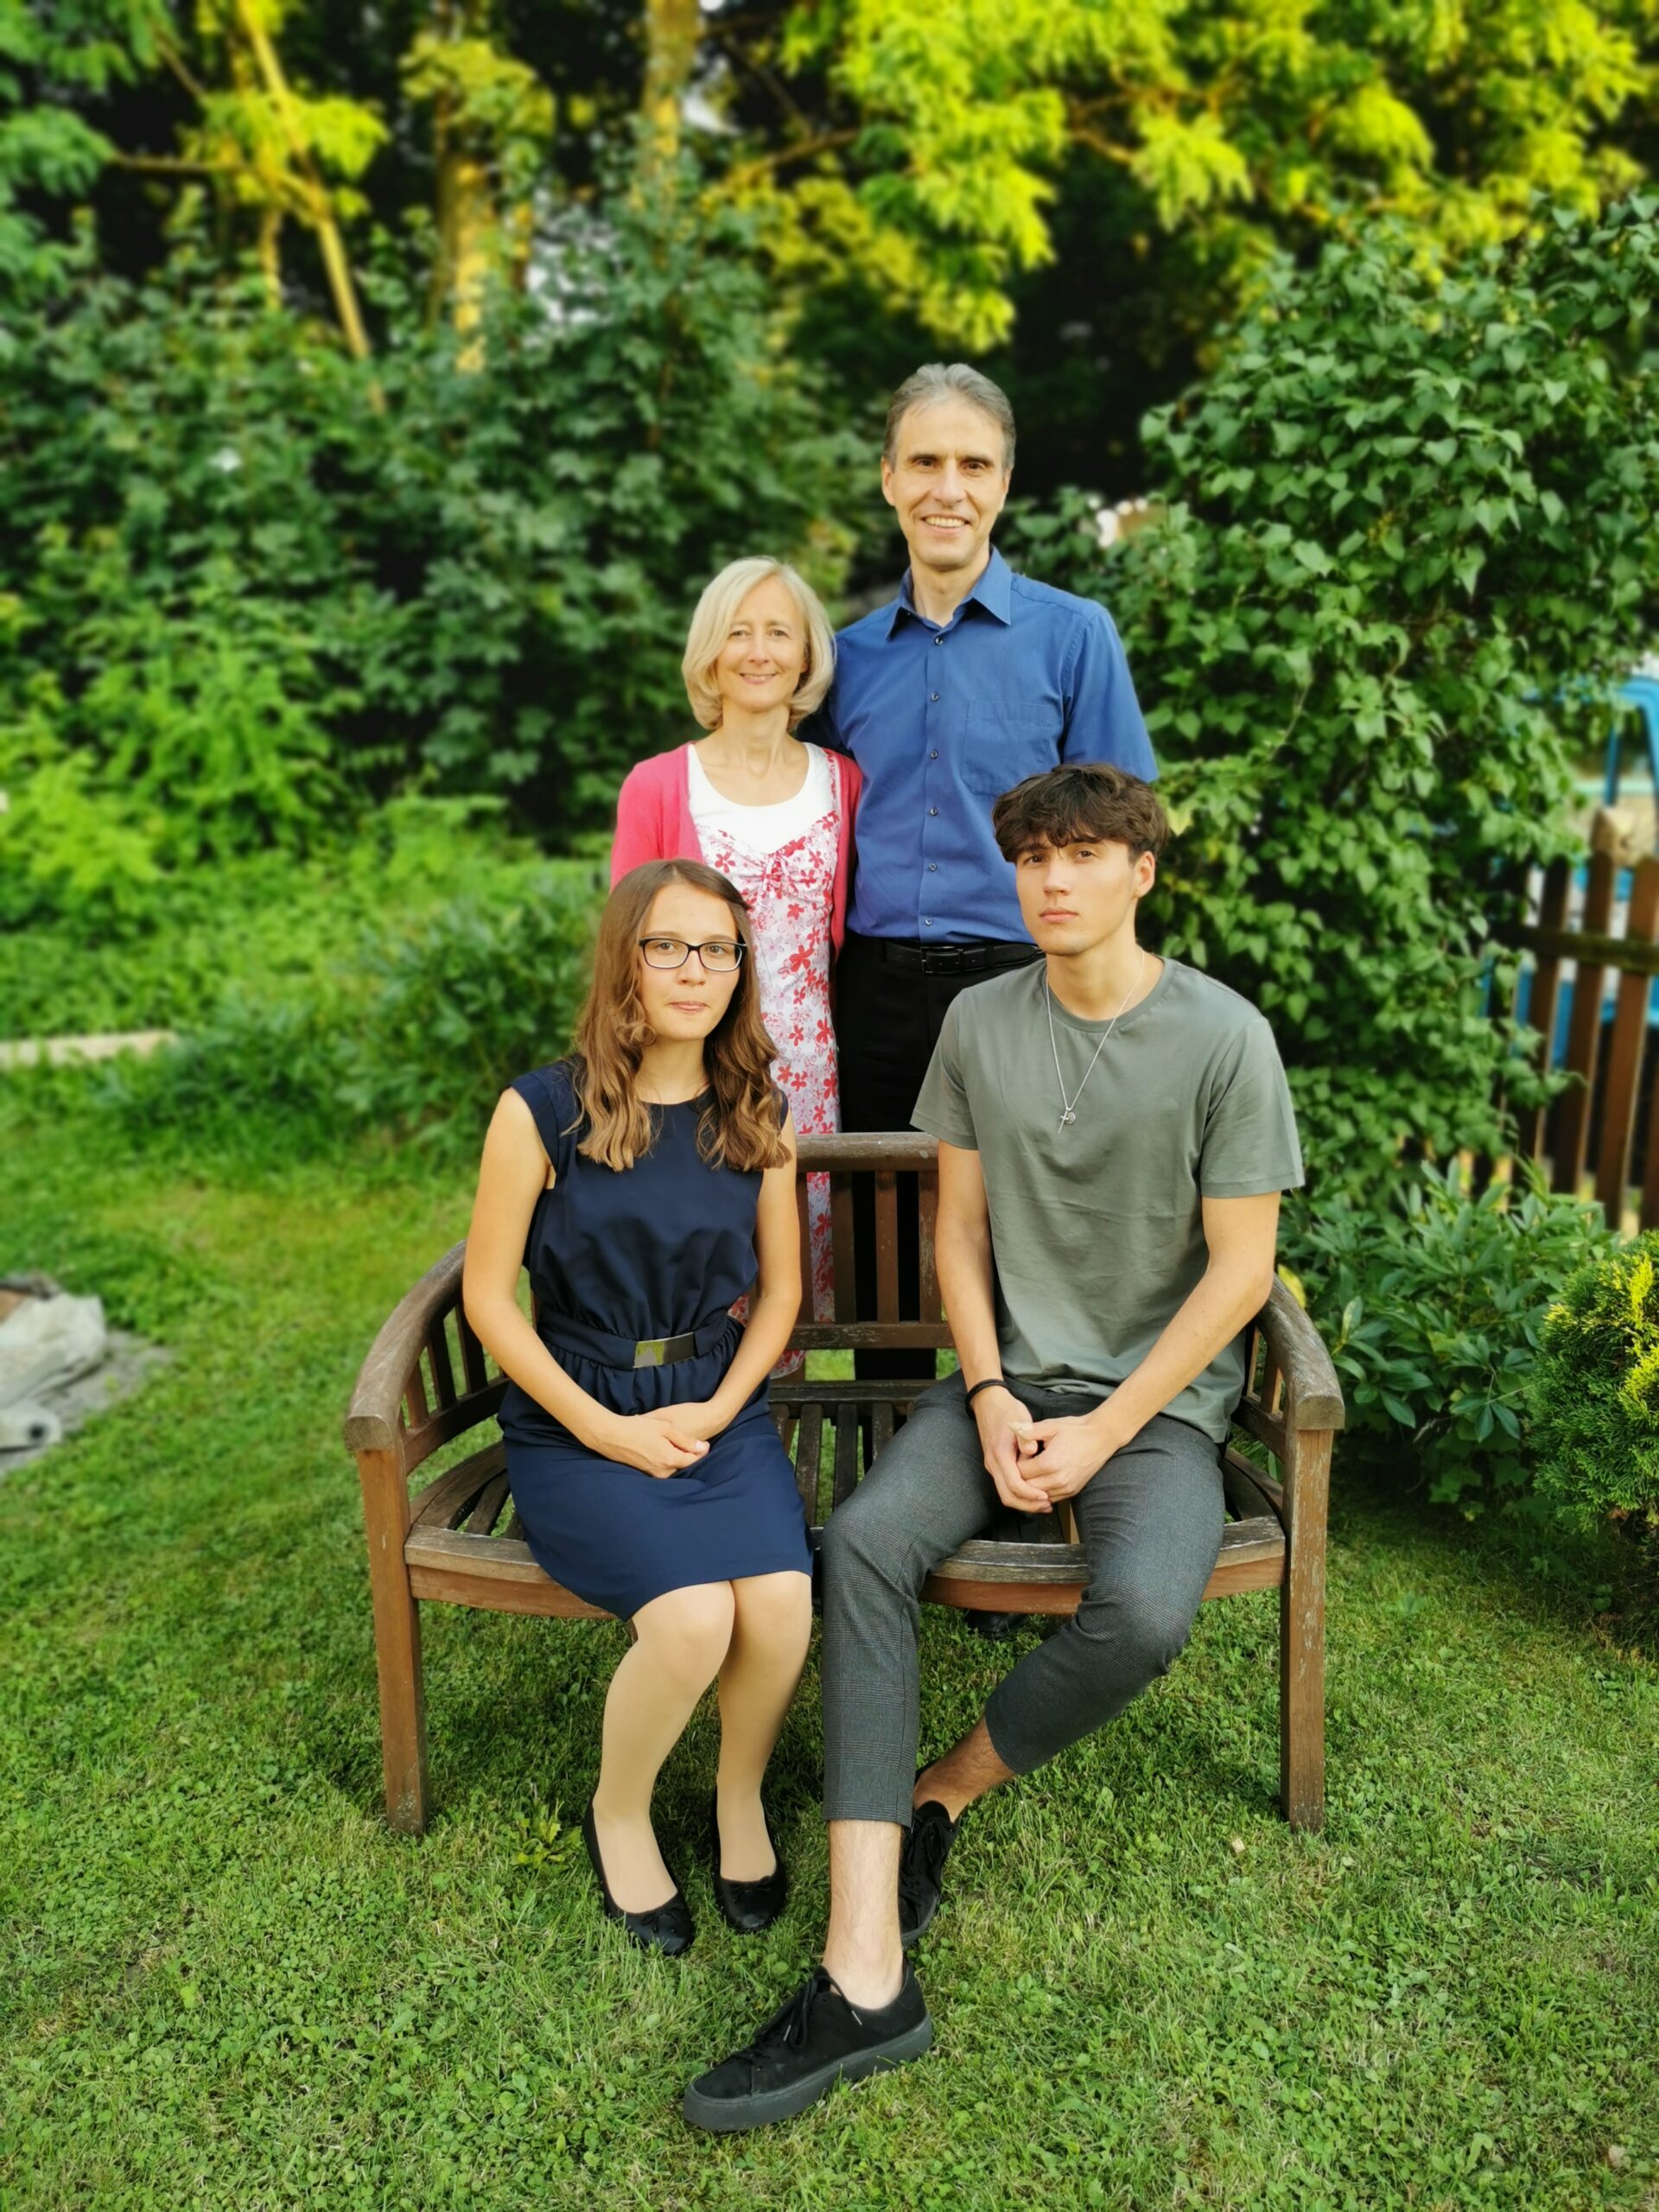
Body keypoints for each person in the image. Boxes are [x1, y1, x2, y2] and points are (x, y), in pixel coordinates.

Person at [684, 764, 1304, 2128]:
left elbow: (1241, 1272)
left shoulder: (1226, 1037)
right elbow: (956, 1232)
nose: (1053, 881)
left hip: (1151, 1410)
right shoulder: (979, 1020)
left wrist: (1107, 1430)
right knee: (864, 1542)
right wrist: (986, 1392)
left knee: (1144, 1614)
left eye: (1083, 855)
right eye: (1033, 859)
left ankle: (941, 1793)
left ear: (1143, 872)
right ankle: (863, 1971)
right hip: (1001, 1386)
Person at [462, 858, 813, 1958]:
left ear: (740, 969)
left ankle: (738, 1796)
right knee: (694, 1619)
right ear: (626, 959)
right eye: (668, 946)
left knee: (781, 1604)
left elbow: (782, 1294)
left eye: (718, 949)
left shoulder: (757, 1109)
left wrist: (720, 1407)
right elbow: (489, 1299)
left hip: (714, 1403)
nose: (694, 970)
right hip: (579, 1414)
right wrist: (604, 1427)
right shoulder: (542, 1111)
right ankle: (619, 1811)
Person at [809, 362, 1157, 1390]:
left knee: (1026, 1232)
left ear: (1004, 482)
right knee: (879, 1240)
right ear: (888, 478)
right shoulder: (844, 659)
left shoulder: (1073, 635)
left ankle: (1022, 1436)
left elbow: (1123, 831)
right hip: (871, 989)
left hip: (1021, 982)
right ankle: (888, 1435)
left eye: (973, 464)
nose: (947, 488)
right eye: (925, 462)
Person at [612, 557, 861, 1330]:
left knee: (796, 1284)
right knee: (702, 1286)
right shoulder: (657, 785)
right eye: (738, 632)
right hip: (696, 1073)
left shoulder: (845, 782)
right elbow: (627, 955)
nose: (759, 652)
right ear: (710, 652)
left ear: (807, 655)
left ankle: (785, 1397)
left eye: (779, 633)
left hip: (812, 1078)